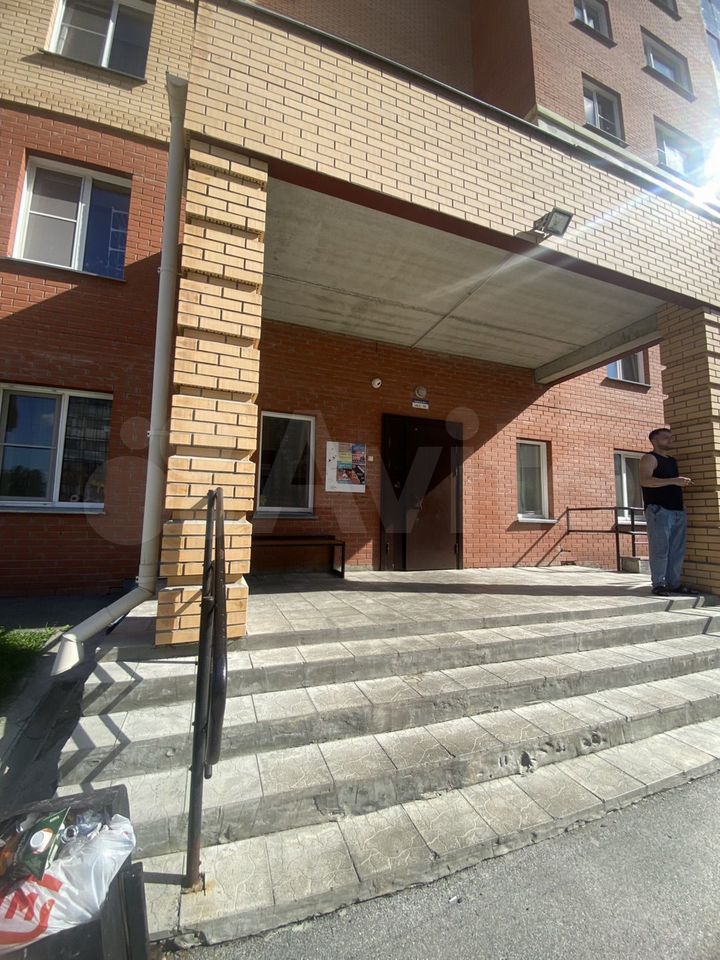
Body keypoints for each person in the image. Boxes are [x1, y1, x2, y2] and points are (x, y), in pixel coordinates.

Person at [639, 427, 696, 597]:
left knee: (677, 550)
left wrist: (678, 483)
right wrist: (674, 481)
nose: (670, 440)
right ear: (654, 441)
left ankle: (673, 584)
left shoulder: (672, 461)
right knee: (660, 549)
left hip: (677, 510)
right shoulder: (649, 458)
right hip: (659, 510)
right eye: (666, 438)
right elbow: (645, 481)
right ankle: (658, 584)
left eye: (671, 437)